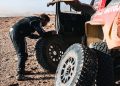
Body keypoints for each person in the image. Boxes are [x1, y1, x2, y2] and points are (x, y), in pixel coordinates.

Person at [9, 14, 50, 81]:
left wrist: (38, 37)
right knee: (21, 54)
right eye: (46, 23)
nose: (46, 24)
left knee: (24, 54)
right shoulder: (37, 21)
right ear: (44, 20)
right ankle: (19, 74)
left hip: (16, 32)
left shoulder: (33, 19)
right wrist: (50, 33)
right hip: (17, 33)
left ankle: (22, 71)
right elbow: (42, 33)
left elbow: (29, 35)